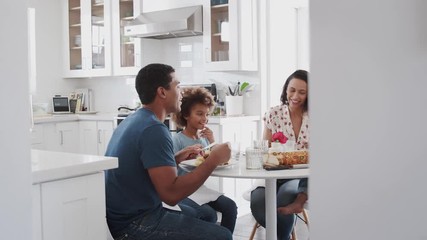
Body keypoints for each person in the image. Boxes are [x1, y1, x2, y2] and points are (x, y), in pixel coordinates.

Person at [104, 63, 233, 240]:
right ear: (162, 92)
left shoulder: (135, 120)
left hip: (124, 215)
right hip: (134, 224)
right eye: (177, 86)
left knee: (206, 215)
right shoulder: (154, 129)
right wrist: (214, 159)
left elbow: (141, 168)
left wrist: (175, 159)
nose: (181, 92)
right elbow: (171, 195)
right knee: (223, 236)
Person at [250, 69, 309, 240]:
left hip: (298, 176)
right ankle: (283, 232)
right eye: (291, 90)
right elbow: (264, 149)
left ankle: (282, 233)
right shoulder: (274, 114)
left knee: (284, 198)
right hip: (271, 172)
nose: (295, 96)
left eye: (302, 92)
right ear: (285, 90)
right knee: (259, 204)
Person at [172, 87, 238, 233]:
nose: (204, 119)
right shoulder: (177, 140)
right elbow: (171, 168)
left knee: (230, 207)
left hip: (201, 188)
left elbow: (216, 160)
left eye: (207, 114)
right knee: (209, 214)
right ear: (186, 115)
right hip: (185, 190)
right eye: (199, 114)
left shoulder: (204, 139)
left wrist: (212, 140)